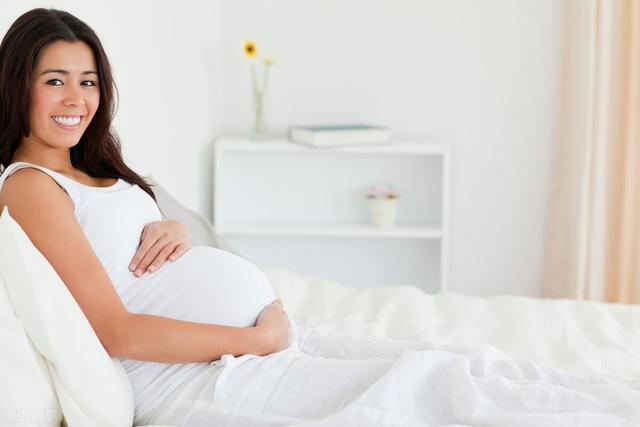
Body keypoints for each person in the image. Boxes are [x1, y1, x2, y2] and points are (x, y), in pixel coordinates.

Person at [1, 8, 639, 427]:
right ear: (17, 85)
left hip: (254, 348)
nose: (76, 98)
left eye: (88, 81)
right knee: (430, 401)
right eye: (55, 80)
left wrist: (176, 226)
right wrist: (257, 340)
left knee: (455, 369)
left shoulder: (93, 170)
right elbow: (114, 330)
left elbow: (123, 255)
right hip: (197, 379)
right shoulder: (29, 186)